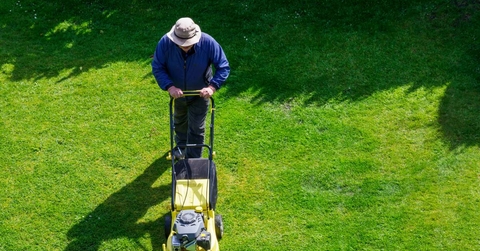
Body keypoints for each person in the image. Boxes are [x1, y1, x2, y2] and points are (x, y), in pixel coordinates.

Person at [152, 17, 230, 159]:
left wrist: (212, 87)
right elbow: (157, 67)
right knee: (180, 122)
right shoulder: (165, 43)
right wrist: (169, 87)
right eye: (182, 43)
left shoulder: (208, 43)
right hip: (178, 93)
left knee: (197, 128)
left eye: (188, 43)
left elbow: (223, 67)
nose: (185, 46)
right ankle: (181, 148)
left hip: (201, 94)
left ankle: (194, 159)